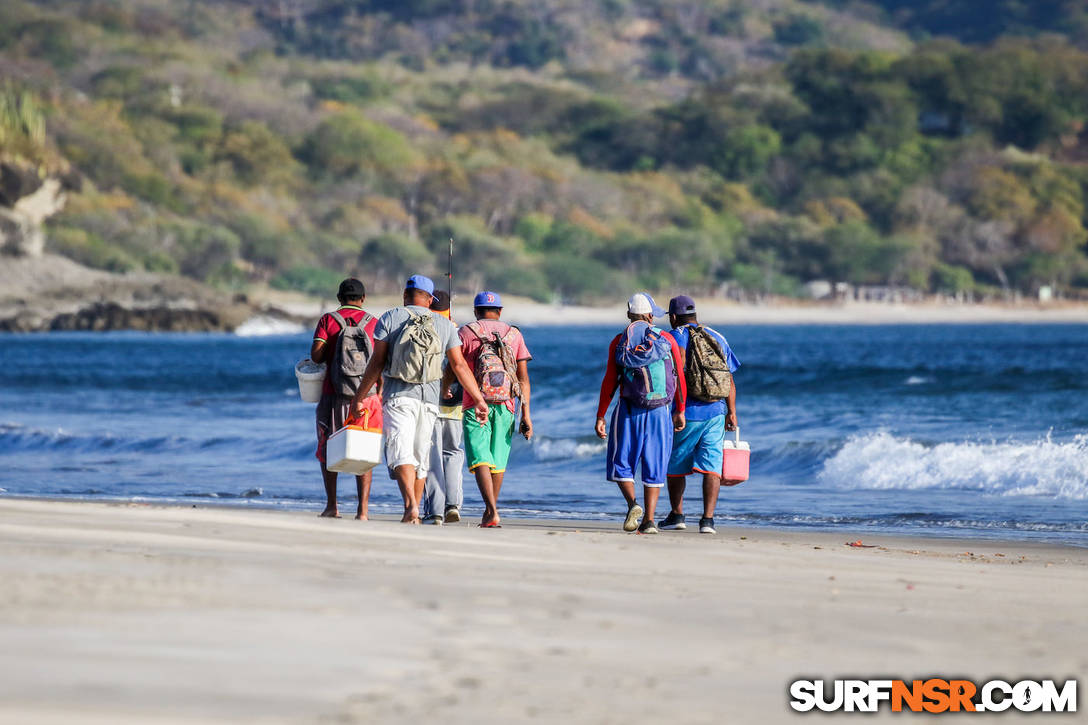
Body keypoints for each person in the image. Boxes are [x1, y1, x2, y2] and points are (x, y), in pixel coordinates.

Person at [350, 275, 488, 525]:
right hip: (430, 400)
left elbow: (376, 363)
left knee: (400, 451)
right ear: (430, 299)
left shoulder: (389, 318)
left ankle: (410, 506)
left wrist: (360, 397)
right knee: (421, 457)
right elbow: (458, 365)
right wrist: (478, 399)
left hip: (398, 396)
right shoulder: (444, 324)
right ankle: (413, 510)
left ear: (405, 294)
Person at [595, 293, 686, 534]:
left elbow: (609, 381)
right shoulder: (666, 339)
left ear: (628, 315)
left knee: (621, 462)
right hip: (660, 410)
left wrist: (601, 415)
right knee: (654, 464)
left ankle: (633, 504)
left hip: (628, 408)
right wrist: (681, 409)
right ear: (649, 316)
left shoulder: (619, 341)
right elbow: (679, 377)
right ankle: (650, 521)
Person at [445, 291, 533, 528]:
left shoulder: (466, 332)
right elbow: (523, 379)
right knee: (498, 460)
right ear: (500, 311)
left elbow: (455, 365)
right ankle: (490, 511)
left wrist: (445, 388)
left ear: (476, 310)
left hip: (475, 403)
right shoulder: (514, 335)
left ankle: (491, 510)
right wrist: (526, 414)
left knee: (480, 458)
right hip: (507, 405)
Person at [659, 295, 741, 535]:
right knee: (712, 466)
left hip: (687, 412)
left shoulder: (674, 337)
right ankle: (708, 520)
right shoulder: (717, 337)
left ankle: (677, 514)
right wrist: (732, 413)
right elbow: (729, 378)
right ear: (695, 314)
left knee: (675, 464)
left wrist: (678, 409)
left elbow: (675, 375)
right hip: (716, 410)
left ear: (673, 317)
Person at [310, 278, 380, 520]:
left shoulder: (328, 320)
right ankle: (363, 510)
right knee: (365, 450)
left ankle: (332, 506)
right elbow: (382, 361)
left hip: (333, 393)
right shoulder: (374, 323)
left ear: (339, 298)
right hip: (368, 397)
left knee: (328, 447)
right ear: (363, 299)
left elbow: (316, 356)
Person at [423, 290, 465, 525]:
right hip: (455, 404)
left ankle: (435, 510)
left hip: (428, 400)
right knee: (453, 452)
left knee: (432, 456)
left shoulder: (423, 327)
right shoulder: (457, 330)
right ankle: (453, 504)